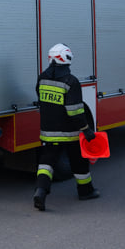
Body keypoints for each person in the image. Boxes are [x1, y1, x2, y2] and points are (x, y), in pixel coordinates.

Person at [32, 43, 99, 211]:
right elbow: (74, 111)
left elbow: (40, 99)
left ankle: (40, 192)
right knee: (79, 162)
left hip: (48, 132)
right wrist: (86, 129)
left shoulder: (42, 77)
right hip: (70, 133)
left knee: (46, 163)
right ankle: (85, 191)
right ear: (68, 59)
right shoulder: (71, 81)